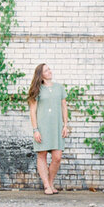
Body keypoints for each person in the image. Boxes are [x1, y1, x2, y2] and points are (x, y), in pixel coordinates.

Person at [28, 63, 70, 195]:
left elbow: (64, 107)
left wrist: (65, 125)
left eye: (49, 69)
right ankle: (47, 185)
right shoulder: (37, 89)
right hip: (42, 127)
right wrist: (35, 130)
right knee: (42, 155)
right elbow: (33, 111)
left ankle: (51, 182)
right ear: (41, 74)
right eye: (46, 70)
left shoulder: (59, 88)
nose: (50, 71)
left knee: (57, 157)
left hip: (57, 127)